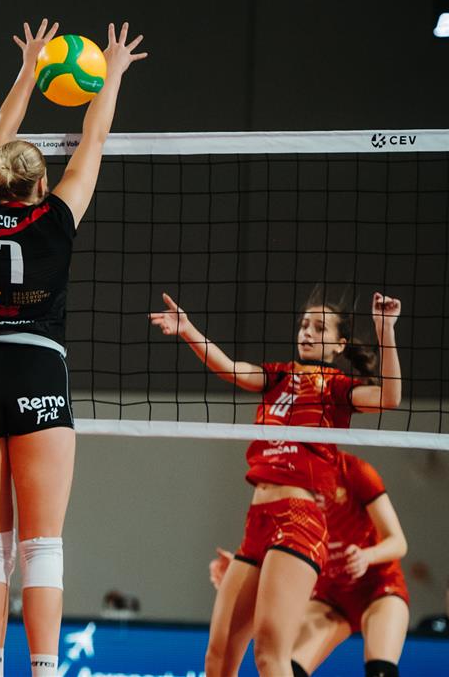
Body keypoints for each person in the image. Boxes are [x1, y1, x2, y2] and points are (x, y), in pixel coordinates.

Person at [0, 20, 147, 677]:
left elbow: (2, 131)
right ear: (41, 185)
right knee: (42, 548)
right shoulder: (59, 217)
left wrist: (29, 69)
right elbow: (94, 140)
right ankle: (43, 672)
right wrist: (111, 73)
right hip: (37, 369)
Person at [150, 287, 402, 677]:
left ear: (339, 345)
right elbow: (230, 368)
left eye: (319, 328)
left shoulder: (337, 388)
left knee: (269, 654)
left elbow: (389, 397)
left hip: (298, 520)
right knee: (218, 657)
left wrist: (385, 330)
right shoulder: (277, 376)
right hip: (258, 520)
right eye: (304, 325)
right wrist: (187, 330)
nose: (307, 332)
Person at [209, 451, 410, 677]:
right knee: (282, 665)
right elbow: (277, 544)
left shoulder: (354, 471)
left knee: (381, 670)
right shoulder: (285, 475)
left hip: (379, 587)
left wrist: (367, 556)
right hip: (330, 598)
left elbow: (398, 542)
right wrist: (245, 572)